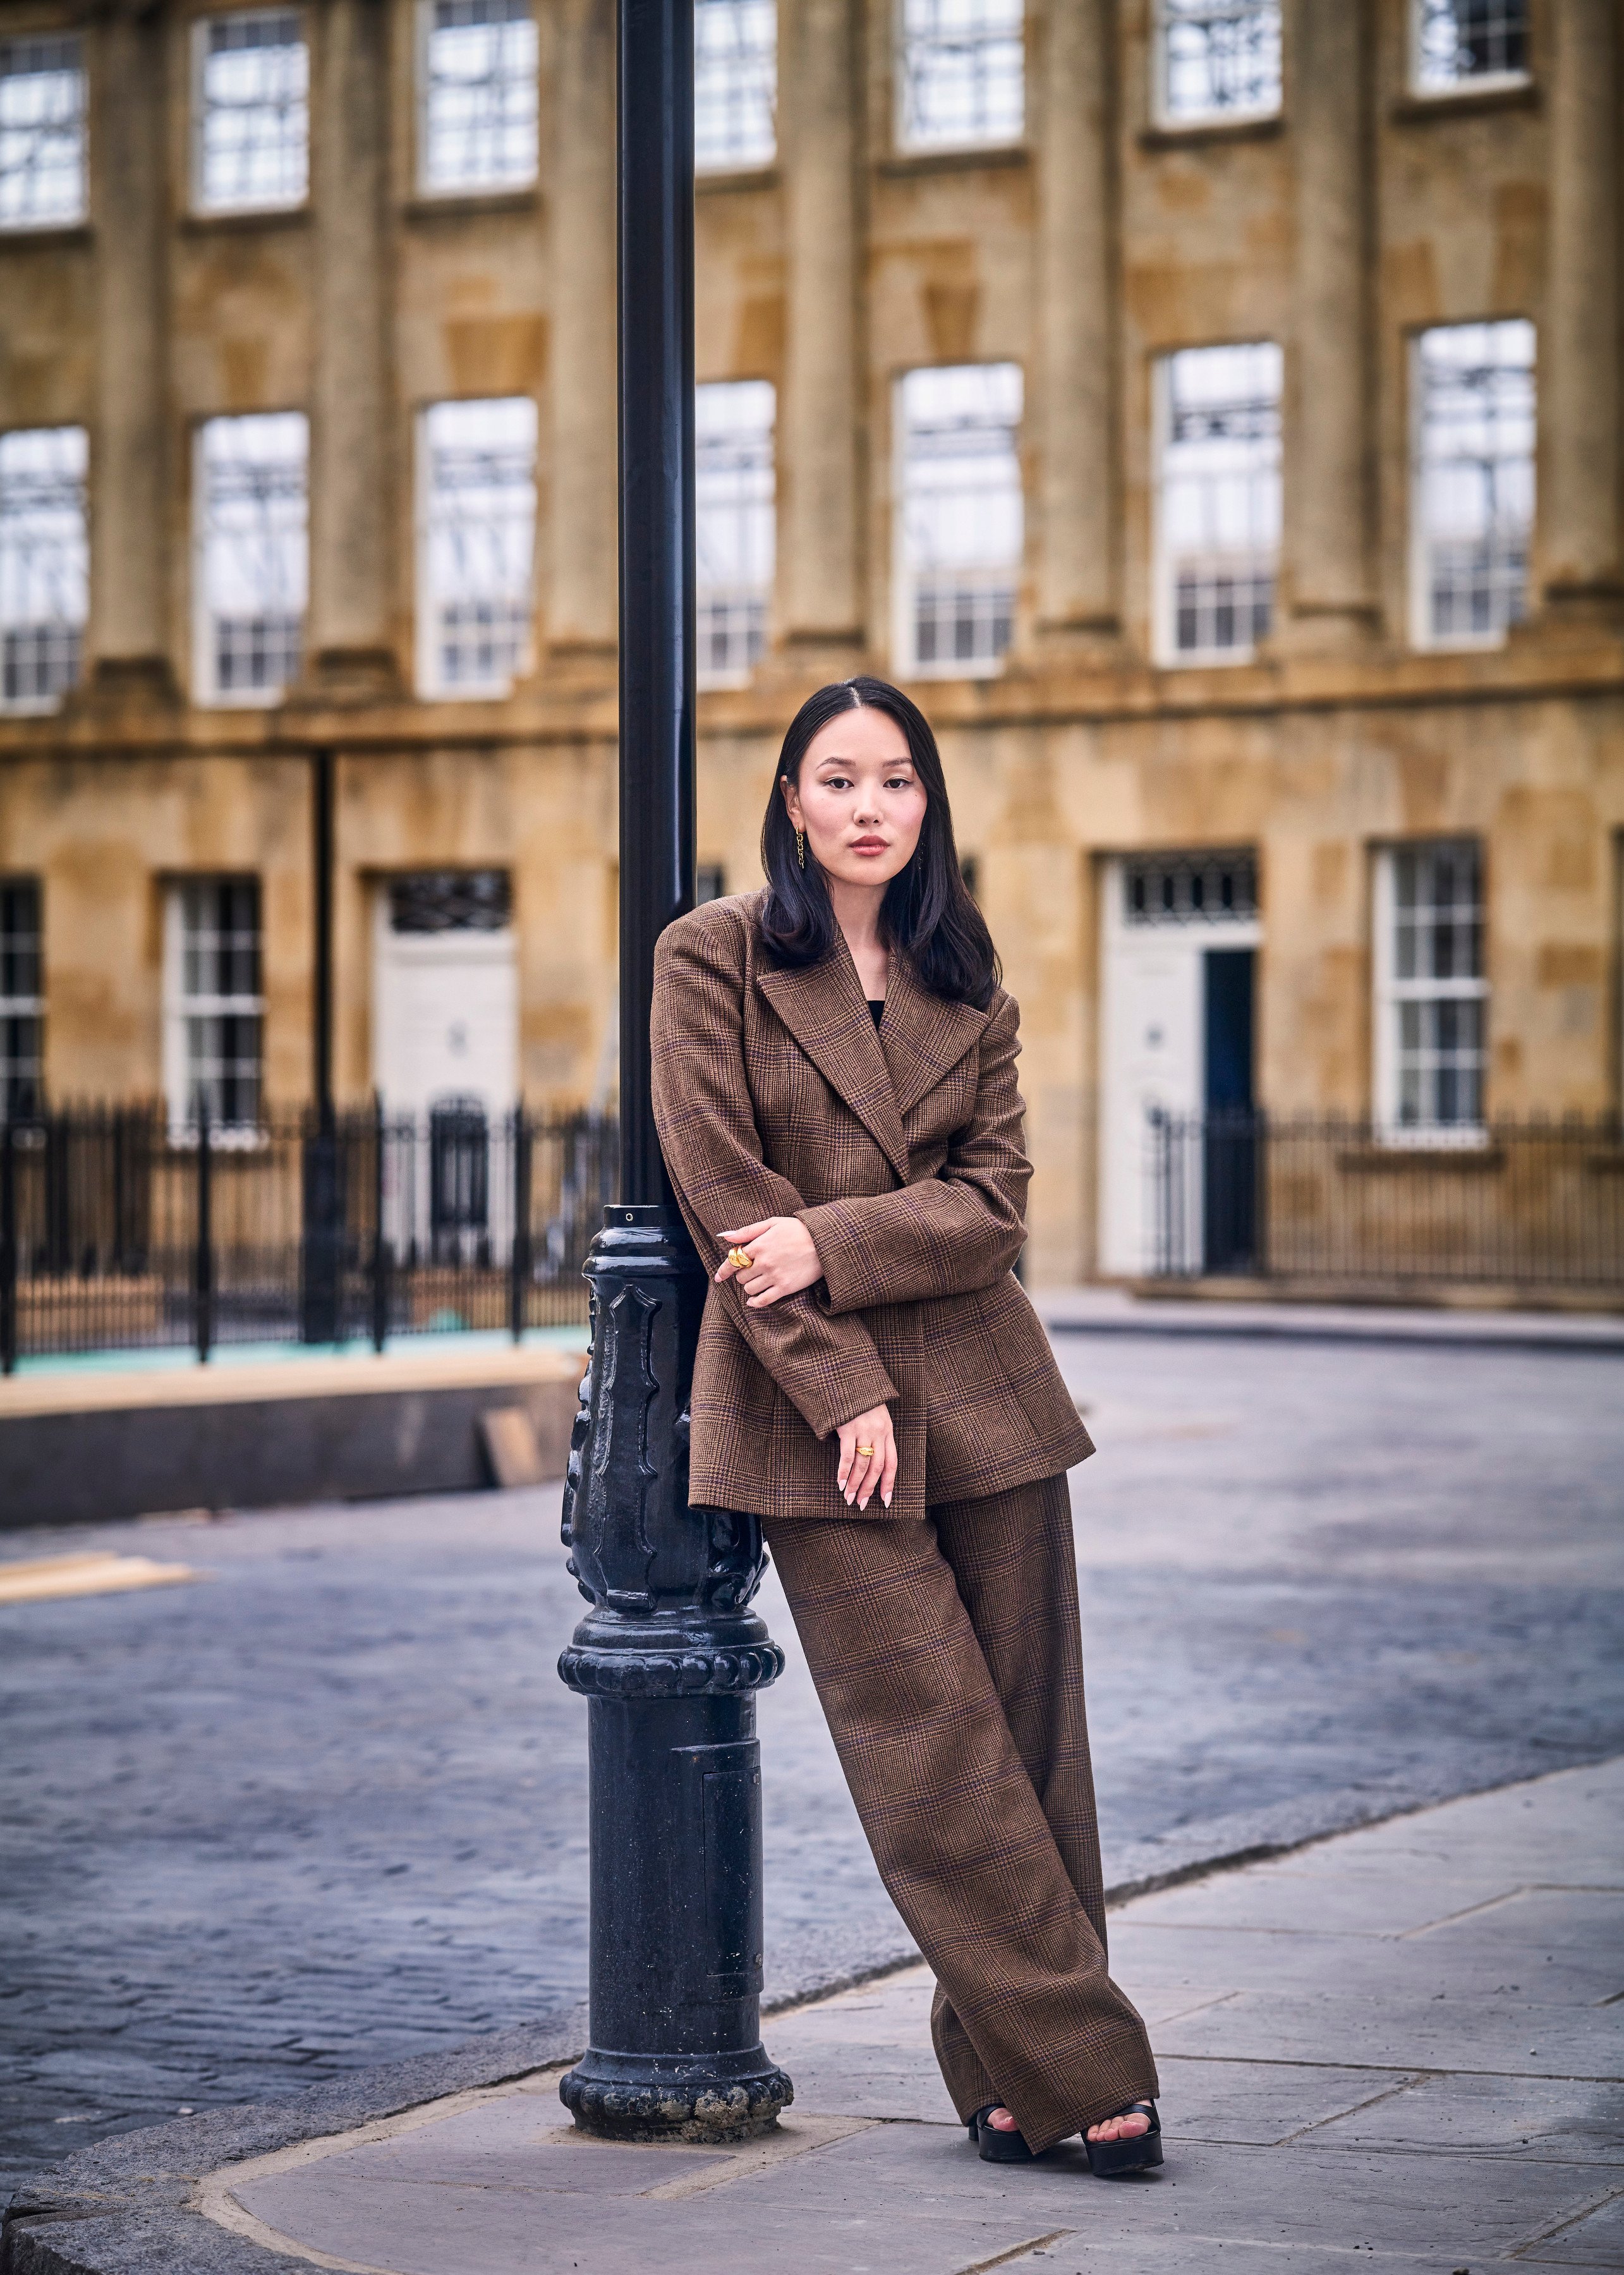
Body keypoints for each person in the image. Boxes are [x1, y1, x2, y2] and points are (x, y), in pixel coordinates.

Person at [649, 676, 1161, 2174]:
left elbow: (992, 1212)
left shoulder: (969, 979)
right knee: (929, 1749)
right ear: (792, 802)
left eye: (898, 783)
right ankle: (1085, 2071)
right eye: (838, 780)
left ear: (926, 806)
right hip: (815, 1411)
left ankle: (1005, 2071)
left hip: (990, 1396)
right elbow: (721, 1194)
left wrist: (831, 1239)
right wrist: (840, 1375)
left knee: (1028, 1744)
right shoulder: (714, 957)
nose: (870, 808)